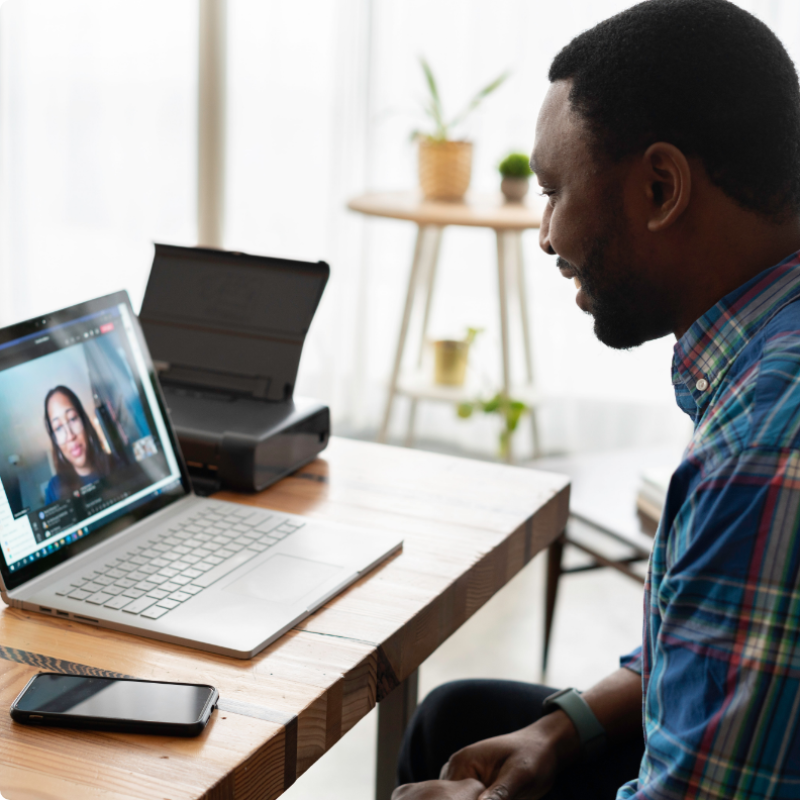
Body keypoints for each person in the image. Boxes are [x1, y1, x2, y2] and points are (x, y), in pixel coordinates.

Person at [393, 1, 800, 798]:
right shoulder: (765, 346)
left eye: (554, 190)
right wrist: (560, 728)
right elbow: (718, 642)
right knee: (458, 719)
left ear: (660, 187)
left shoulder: (766, 444)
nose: (546, 233)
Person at [43, 385, 115, 504]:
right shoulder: (54, 489)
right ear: (55, 440)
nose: (70, 436)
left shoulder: (117, 462)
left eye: (72, 418)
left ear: (84, 421)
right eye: (58, 427)